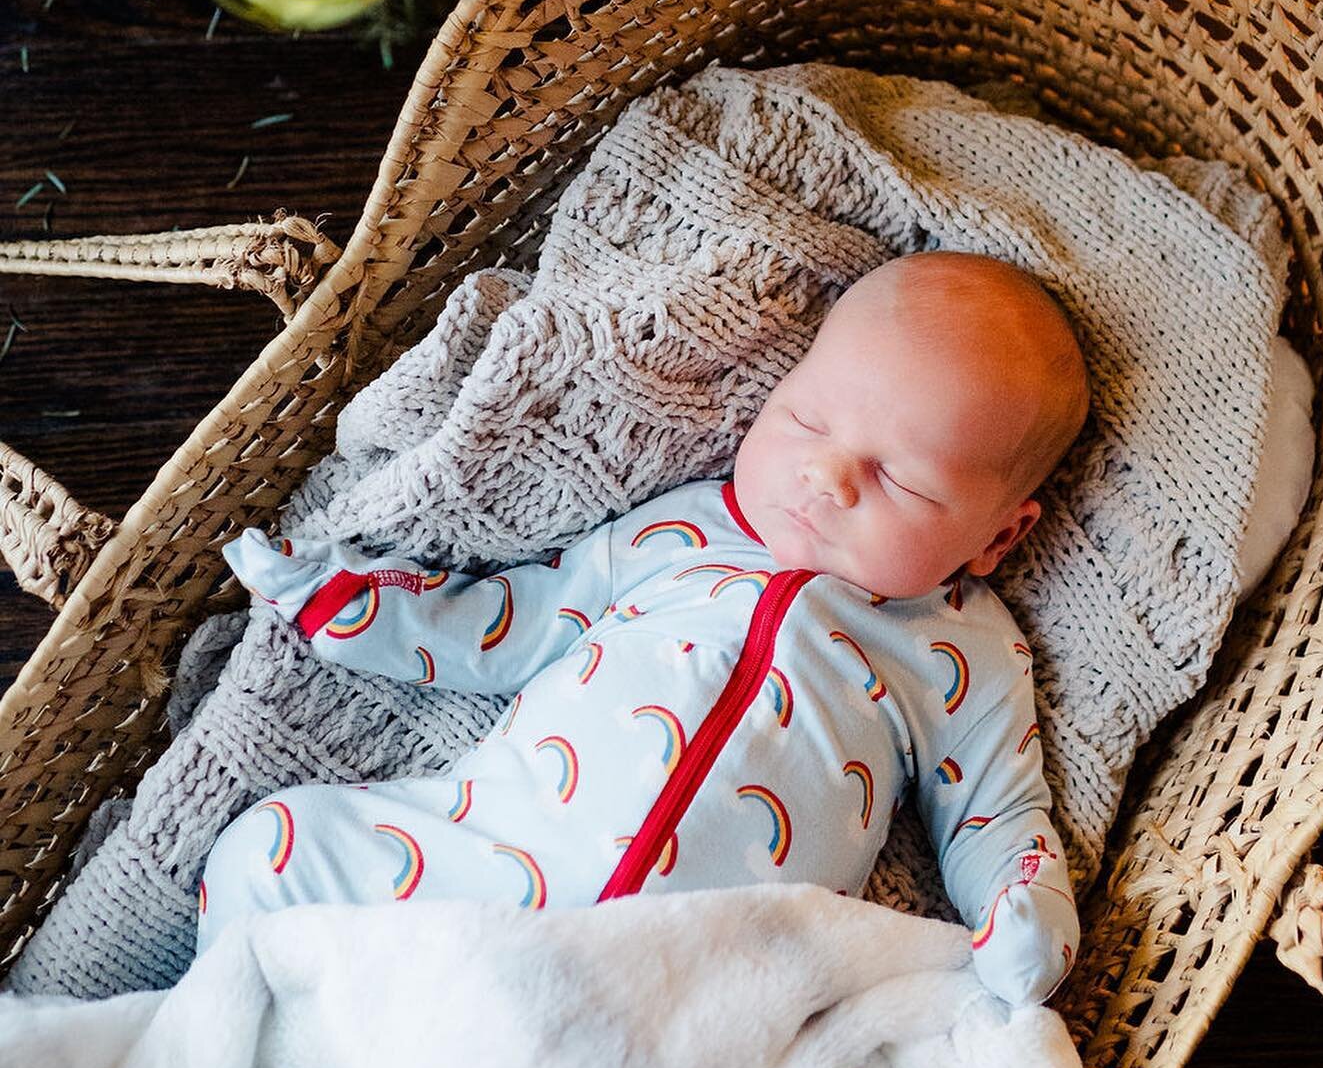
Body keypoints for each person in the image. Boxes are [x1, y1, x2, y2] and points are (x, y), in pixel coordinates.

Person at [196, 250, 1092, 1007]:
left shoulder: (965, 652)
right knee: (273, 850)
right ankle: (215, 1053)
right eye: (806, 419)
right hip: (487, 867)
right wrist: (361, 607)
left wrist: (1024, 909)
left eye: (903, 480)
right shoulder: (683, 531)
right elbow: (517, 622)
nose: (828, 475)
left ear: (998, 535)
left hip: (701, 977)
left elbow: (996, 810)